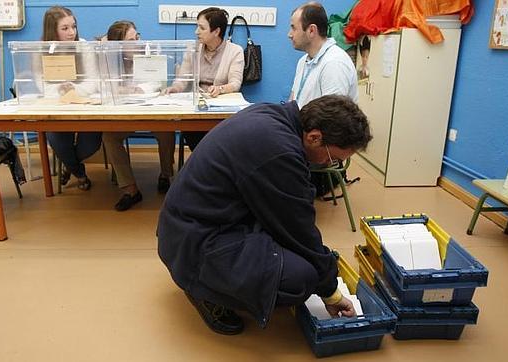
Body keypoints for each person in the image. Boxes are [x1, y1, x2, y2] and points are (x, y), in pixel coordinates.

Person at [157, 95, 372, 335]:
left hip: (190, 226)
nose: (331, 165)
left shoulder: (275, 116)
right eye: (334, 159)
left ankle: (214, 279)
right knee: (302, 278)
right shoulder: (279, 152)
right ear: (314, 137)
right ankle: (204, 289)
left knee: (299, 256)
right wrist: (331, 293)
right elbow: (298, 229)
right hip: (196, 243)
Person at [101, 20, 176, 211]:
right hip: (124, 115)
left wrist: (139, 89)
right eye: (131, 40)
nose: (138, 43)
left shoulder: (149, 53)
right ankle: (131, 190)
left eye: (137, 37)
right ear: (118, 45)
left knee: (166, 130)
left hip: (150, 110)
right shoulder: (110, 59)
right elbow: (102, 86)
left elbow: (157, 84)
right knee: (109, 136)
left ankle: (165, 175)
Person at [41, 6, 102, 190]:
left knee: (90, 145)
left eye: (73, 27)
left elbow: (93, 82)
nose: (71, 33)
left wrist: (73, 88)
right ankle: (80, 174)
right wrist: (60, 89)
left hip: (86, 107)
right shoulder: (41, 49)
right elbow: (43, 89)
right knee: (57, 140)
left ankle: (70, 166)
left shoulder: (83, 47)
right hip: (57, 109)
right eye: (65, 28)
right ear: (53, 30)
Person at [166, 7, 244, 151]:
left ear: (216, 31)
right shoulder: (192, 49)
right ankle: (206, 163)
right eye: (197, 26)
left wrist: (220, 89)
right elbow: (182, 79)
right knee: (191, 131)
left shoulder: (235, 51)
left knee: (222, 135)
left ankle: (208, 164)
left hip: (220, 111)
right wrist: (174, 88)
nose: (196, 32)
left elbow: (235, 83)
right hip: (196, 109)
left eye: (201, 28)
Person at [288, 2, 358, 108]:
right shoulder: (303, 61)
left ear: (311, 30)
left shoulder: (334, 64)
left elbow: (332, 118)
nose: (289, 34)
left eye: (294, 28)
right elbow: (293, 100)